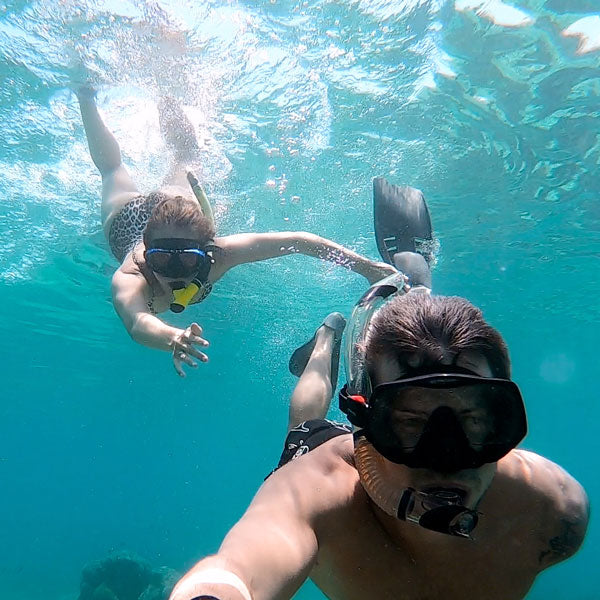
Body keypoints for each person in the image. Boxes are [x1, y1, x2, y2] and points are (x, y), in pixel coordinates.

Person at [166, 181, 589, 600]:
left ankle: (414, 292)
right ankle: (328, 337)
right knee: (305, 422)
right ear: (364, 417)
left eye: (475, 420)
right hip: (323, 449)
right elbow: (236, 571)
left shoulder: (555, 511)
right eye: (410, 420)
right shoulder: (315, 495)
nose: (446, 455)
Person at [76, 87, 396, 376]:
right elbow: (136, 322)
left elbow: (299, 242)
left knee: (186, 155)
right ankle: (85, 93)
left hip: (177, 215)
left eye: (186, 262)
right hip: (128, 221)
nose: (175, 273)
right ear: (148, 254)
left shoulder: (221, 255)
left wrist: (368, 269)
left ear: (206, 252)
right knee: (112, 170)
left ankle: (164, 89)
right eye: (162, 261)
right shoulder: (131, 275)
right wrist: (172, 337)